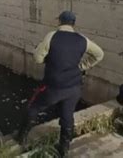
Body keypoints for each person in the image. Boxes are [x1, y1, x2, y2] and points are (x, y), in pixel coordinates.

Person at [15, 11, 104, 157]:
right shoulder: (82, 39)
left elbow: (37, 58)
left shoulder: (52, 36)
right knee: (67, 116)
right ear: (73, 23)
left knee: (34, 107)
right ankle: (64, 148)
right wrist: (82, 66)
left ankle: (21, 137)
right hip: (74, 87)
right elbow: (100, 54)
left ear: (60, 22)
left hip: (53, 87)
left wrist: (46, 57)